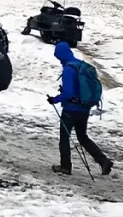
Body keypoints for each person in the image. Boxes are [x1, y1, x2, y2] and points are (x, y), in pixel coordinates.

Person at [48, 42, 112, 176]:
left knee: (64, 137)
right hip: (84, 108)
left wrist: (55, 99)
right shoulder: (81, 65)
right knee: (83, 137)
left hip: (70, 109)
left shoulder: (69, 69)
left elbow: (69, 93)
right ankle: (103, 161)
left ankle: (65, 166)